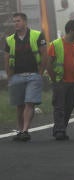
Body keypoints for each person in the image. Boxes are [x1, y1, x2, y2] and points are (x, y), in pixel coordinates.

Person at [4, 12, 48, 142]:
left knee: (29, 102)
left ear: (25, 22)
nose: (15, 23)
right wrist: (9, 77)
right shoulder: (10, 39)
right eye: (14, 21)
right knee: (19, 105)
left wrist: (40, 73)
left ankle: (25, 130)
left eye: (18, 21)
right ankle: (20, 130)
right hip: (17, 76)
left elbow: (44, 54)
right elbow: (6, 59)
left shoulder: (37, 35)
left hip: (33, 74)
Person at [47, 19, 74, 140]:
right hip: (61, 81)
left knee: (70, 105)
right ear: (70, 30)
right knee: (59, 106)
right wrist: (54, 79)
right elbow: (48, 63)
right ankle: (60, 130)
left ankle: (61, 127)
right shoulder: (56, 44)